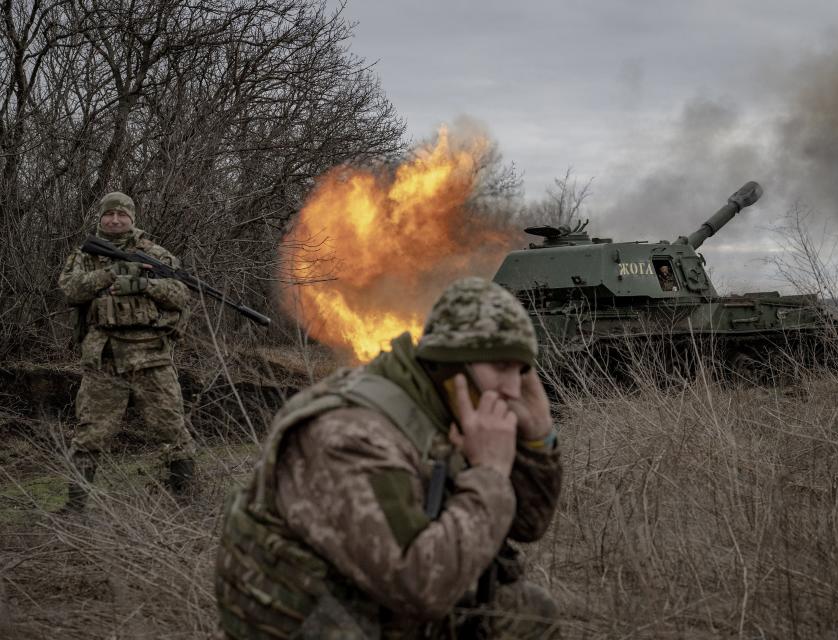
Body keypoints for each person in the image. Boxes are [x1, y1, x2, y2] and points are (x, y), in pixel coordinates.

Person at [215, 277, 563, 639]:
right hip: (323, 623)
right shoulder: (351, 435)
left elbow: (527, 524)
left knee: (528, 613)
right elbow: (418, 588)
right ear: (451, 365)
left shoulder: (448, 408)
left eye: (521, 370)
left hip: (376, 605)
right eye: (501, 367)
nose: (512, 388)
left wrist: (539, 437)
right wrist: (490, 474)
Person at [58, 191, 196, 511]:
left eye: (123, 215)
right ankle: (74, 508)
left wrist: (144, 285)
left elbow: (181, 294)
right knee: (90, 434)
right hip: (104, 357)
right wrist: (110, 274)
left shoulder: (154, 253)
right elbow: (69, 290)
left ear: (132, 219)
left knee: (172, 428)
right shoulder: (85, 255)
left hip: (152, 355)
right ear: (101, 218)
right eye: (110, 215)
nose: (116, 220)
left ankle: (186, 502)